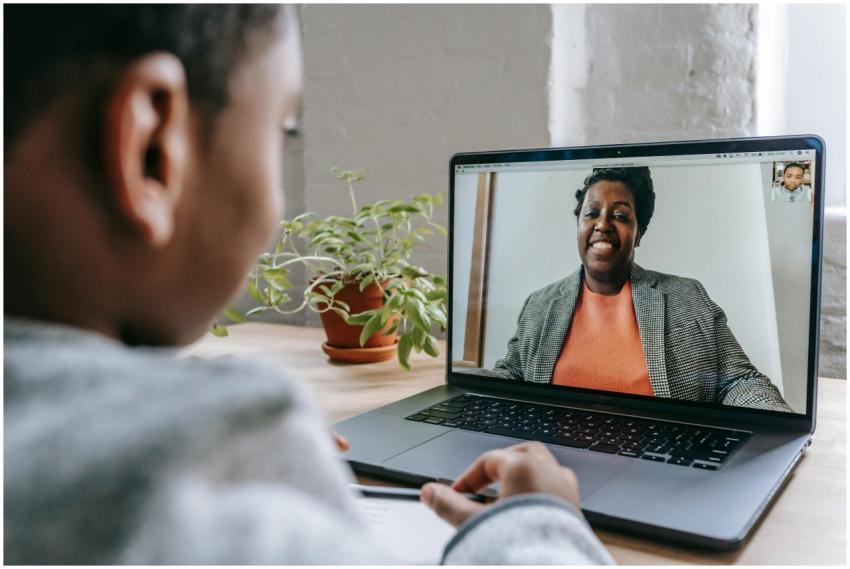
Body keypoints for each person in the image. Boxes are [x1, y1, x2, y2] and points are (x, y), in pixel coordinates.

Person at [4, 5, 613, 565]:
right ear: (151, 151)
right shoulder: (210, 461)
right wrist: (542, 523)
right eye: (279, 126)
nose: (604, 227)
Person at [493, 167, 793, 413]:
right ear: (579, 226)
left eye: (620, 216)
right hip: (551, 460)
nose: (603, 224)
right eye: (592, 213)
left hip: (660, 460)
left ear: (638, 234)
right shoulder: (540, 304)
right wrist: (464, 390)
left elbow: (739, 381)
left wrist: (778, 426)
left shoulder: (687, 297)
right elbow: (512, 375)